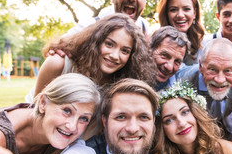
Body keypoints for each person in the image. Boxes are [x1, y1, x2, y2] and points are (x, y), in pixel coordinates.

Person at [39, 78, 164, 154]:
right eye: (121, 117)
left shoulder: (162, 152)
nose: (132, 128)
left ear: (153, 121)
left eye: (143, 117)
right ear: (105, 121)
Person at [26, 13, 156, 103]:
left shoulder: (121, 81)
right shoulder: (59, 64)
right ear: (96, 41)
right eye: (109, 44)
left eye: (125, 51)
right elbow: (32, 112)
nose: (115, 56)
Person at [0, 73, 101, 154]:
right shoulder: (2, 134)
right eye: (66, 111)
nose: (72, 126)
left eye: (83, 118)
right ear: (43, 103)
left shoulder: (57, 138)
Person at [177, 38, 232, 140]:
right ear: (201, 66)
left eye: (227, 70)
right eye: (213, 69)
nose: (219, 80)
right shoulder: (181, 81)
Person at [156, 0, 205, 65]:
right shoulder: (155, 43)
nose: (180, 15)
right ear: (166, 14)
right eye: (173, 10)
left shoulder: (204, 46)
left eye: (186, 9)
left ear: (194, 13)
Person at [150, 26, 191, 91]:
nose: (169, 67)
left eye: (177, 61)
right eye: (164, 55)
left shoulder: (176, 89)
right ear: (150, 50)